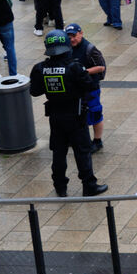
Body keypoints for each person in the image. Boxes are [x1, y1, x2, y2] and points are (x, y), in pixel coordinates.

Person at [29, 30, 108, 197]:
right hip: (76, 116)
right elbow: (90, 86)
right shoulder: (74, 68)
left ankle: (60, 186)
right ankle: (89, 185)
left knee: (58, 152)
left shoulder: (40, 68)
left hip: (55, 117)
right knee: (82, 152)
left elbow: (34, 91)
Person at [65, 24, 107, 152]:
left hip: (91, 88)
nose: (72, 39)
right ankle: (78, 138)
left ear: (81, 33)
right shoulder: (66, 48)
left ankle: (97, 141)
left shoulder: (89, 49)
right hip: (75, 89)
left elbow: (101, 67)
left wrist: (83, 71)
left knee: (95, 113)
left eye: (74, 36)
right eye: (69, 36)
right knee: (75, 114)